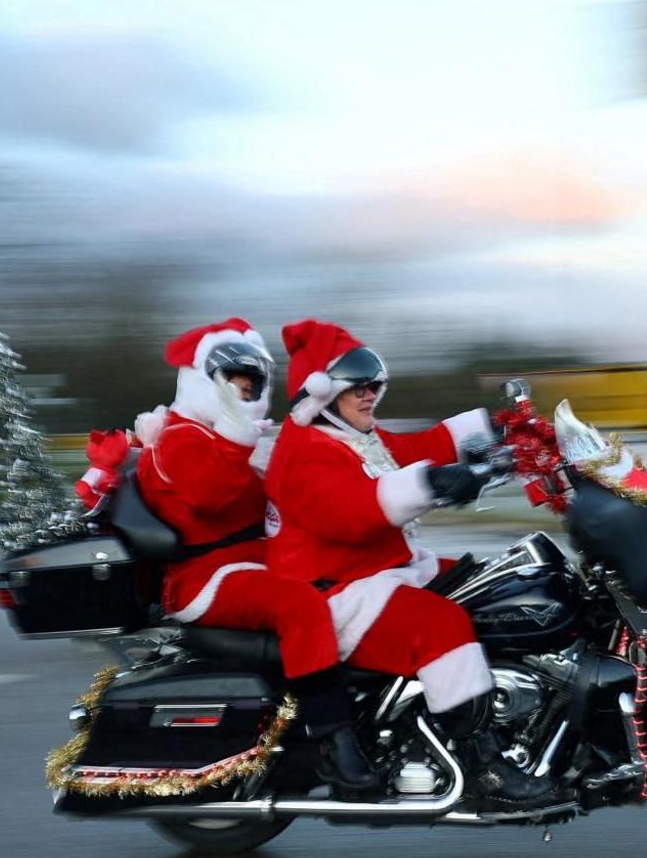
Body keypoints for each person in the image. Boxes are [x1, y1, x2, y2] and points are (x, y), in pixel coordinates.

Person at [264, 319, 554, 809]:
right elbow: (352, 511)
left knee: (494, 579)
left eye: (375, 382)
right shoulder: (301, 452)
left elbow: (421, 449)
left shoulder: (360, 439)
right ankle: (485, 767)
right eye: (356, 384)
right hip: (338, 592)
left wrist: (502, 431)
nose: (370, 393)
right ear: (321, 393)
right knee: (442, 624)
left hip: (384, 569)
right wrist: (435, 485)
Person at [134, 318, 380, 793]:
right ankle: (333, 740)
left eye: (250, 387)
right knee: (299, 605)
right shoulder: (179, 438)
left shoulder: (228, 435)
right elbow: (212, 495)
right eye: (234, 386)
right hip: (206, 576)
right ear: (205, 384)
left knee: (345, 576)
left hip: (250, 561)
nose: (244, 396)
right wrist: (236, 437)